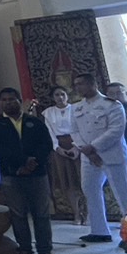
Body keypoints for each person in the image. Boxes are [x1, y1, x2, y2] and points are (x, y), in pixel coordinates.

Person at [0, 87, 65, 254]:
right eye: (4, 100)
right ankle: (25, 250)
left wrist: (33, 162)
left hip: (37, 174)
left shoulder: (34, 121)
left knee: (41, 214)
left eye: (11, 99)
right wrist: (22, 163)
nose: (8, 103)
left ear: (19, 101)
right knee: (18, 214)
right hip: (12, 174)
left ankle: (45, 251)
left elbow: (46, 145)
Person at [70, 73, 127, 244]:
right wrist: (87, 150)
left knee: (122, 193)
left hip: (111, 155)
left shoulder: (112, 105)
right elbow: (74, 131)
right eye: (76, 84)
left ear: (93, 84)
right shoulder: (76, 108)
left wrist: (94, 147)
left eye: (81, 84)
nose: (78, 87)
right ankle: (99, 230)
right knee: (90, 189)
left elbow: (116, 130)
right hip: (88, 157)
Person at [42, 86, 85, 222]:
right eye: (57, 95)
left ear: (67, 95)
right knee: (67, 181)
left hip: (77, 145)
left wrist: (76, 146)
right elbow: (49, 132)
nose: (60, 97)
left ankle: (88, 212)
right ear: (53, 97)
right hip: (59, 147)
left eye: (62, 94)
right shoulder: (48, 113)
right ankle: (76, 212)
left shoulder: (76, 109)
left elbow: (82, 128)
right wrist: (57, 148)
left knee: (83, 179)